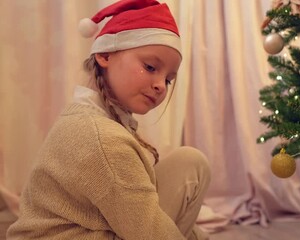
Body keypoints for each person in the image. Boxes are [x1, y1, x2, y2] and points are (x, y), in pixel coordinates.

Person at [6, 0, 211, 239]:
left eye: (168, 79)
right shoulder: (103, 138)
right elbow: (153, 232)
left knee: (190, 162)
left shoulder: (94, 118)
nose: (159, 85)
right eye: (150, 67)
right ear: (104, 55)